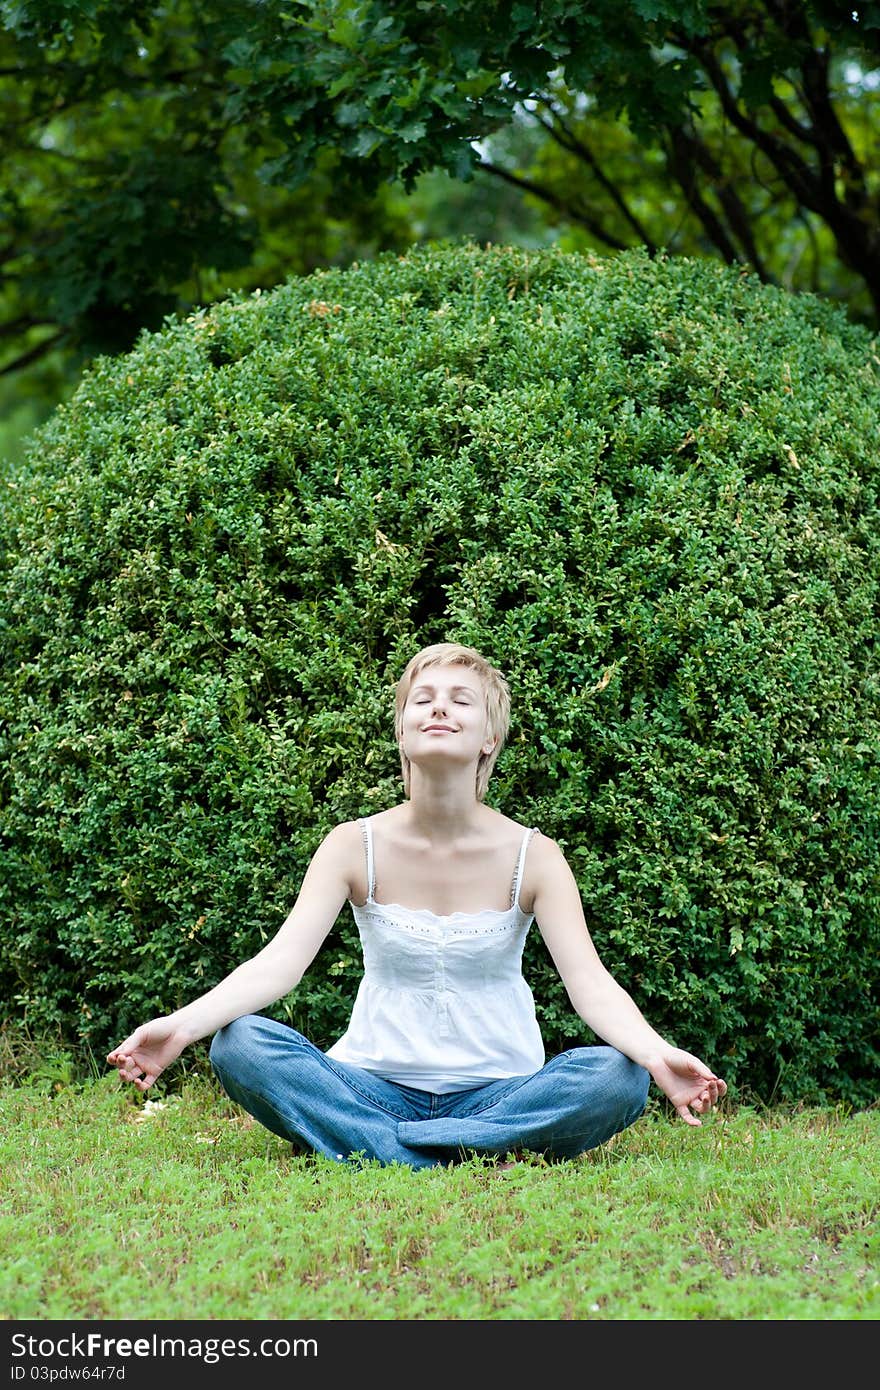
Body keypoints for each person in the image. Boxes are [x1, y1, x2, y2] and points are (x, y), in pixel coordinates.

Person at [108, 641, 726, 1168]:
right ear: (403, 730)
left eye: (461, 700)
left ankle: (385, 1151)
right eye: (422, 699)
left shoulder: (535, 858)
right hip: (371, 1088)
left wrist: (654, 1054)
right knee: (239, 1044)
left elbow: (590, 986)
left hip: (500, 1093)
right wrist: (184, 1028)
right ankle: (457, 1150)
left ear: (490, 737)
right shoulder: (353, 846)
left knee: (615, 1077)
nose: (439, 707)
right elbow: (279, 966)